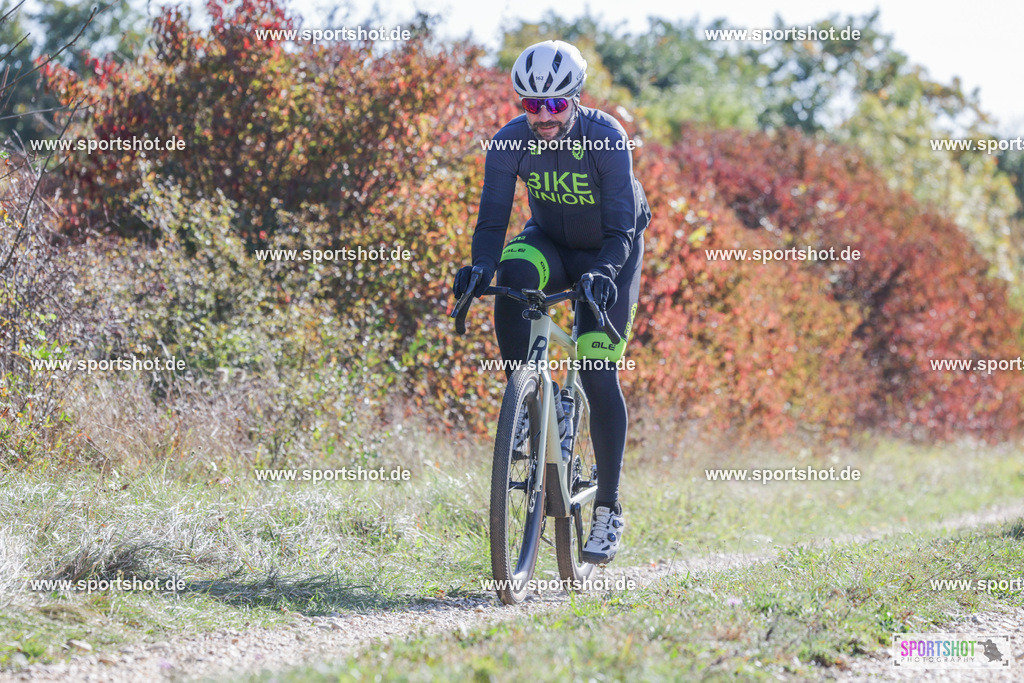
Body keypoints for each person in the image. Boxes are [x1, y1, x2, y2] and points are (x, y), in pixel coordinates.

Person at [453, 39, 651, 565]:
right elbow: (493, 221)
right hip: (551, 241)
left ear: (577, 99)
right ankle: (530, 399)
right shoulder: (509, 142)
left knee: (596, 368)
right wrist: (478, 268)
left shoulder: (607, 137)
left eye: (556, 104)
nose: (543, 115)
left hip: (611, 250)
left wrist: (605, 272)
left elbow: (621, 228)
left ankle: (608, 508)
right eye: (531, 105)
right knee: (513, 271)